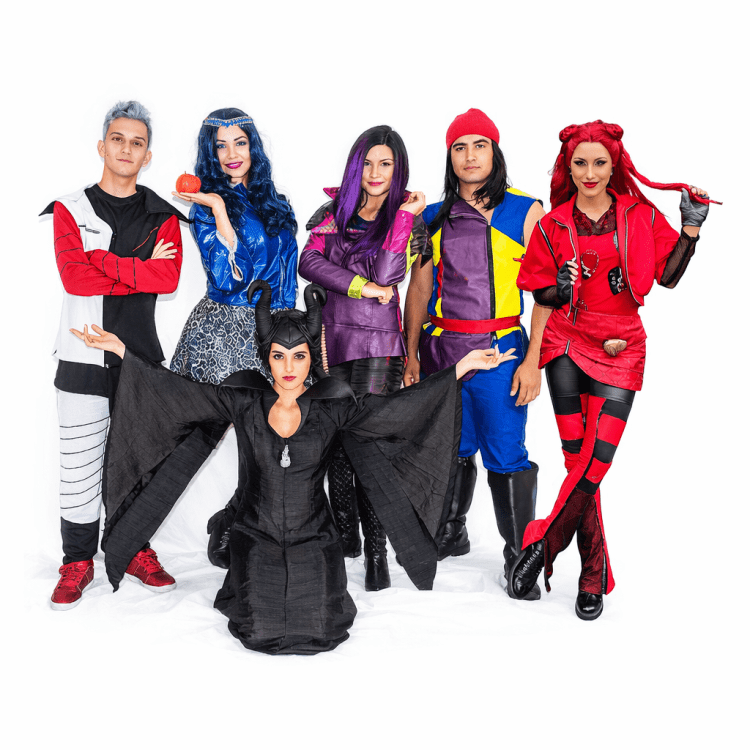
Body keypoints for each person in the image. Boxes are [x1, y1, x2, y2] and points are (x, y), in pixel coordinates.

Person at [70, 282, 517, 654]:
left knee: (319, 626)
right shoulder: (243, 401)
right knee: (259, 627)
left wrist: (461, 367)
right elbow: (175, 393)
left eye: (299, 356)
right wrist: (123, 351)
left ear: (310, 359)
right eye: (279, 356)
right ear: (266, 358)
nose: (289, 367)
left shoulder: (332, 407)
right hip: (256, 533)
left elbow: (398, 409)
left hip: (314, 537)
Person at [508, 120, 713, 620]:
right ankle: (593, 575)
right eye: (580, 163)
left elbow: (667, 277)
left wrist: (690, 229)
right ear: (568, 166)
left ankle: (543, 544)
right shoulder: (554, 223)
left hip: (622, 347)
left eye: (599, 162)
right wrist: (561, 285)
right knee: (578, 462)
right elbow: (539, 291)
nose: (590, 173)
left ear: (613, 165)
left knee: (596, 461)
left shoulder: (640, 215)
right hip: (564, 343)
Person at [40, 100, 188, 610]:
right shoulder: (70, 209)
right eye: (118, 139)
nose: (127, 149)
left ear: (148, 155)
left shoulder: (163, 215)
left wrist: (102, 259)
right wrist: (138, 269)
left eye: (137, 142)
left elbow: (168, 279)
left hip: (139, 358)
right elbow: (74, 277)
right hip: (81, 356)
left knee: (138, 465)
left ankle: (132, 548)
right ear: (102, 146)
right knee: (80, 466)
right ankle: (77, 561)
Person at [403, 108, 548, 598]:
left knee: (505, 450)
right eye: (459, 147)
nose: (469, 156)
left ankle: (519, 555)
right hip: (442, 348)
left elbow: (548, 294)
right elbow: (419, 289)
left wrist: (533, 361)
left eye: (479, 145)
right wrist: (411, 353)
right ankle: (451, 530)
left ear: (494, 151)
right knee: (451, 445)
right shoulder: (431, 217)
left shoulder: (525, 211)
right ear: (450, 156)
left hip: (501, 348)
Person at [298, 125, 430, 590]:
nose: (376, 172)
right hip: (332, 343)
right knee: (335, 447)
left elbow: (392, 274)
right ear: (356, 166)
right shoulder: (331, 213)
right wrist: (361, 286)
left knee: (368, 450)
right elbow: (308, 263)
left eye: (386, 164)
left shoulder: (409, 219)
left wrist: (403, 216)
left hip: (380, 347)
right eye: (368, 163)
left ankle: (378, 554)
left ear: (398, 170)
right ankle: (344, 540)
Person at [171, 108, 298, 566]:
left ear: (252, 146)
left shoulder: (277, 202)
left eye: (239, 142)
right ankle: (234, 526)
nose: (231, 153)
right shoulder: (205, 206)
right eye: (220, 145)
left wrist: (291, 332)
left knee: (273, 438)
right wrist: (220, 209)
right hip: (227, 331)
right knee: (243, 434)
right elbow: (230, 278)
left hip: (273, 330)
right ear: (211, 153)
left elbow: (288, 272)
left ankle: (231, 520)